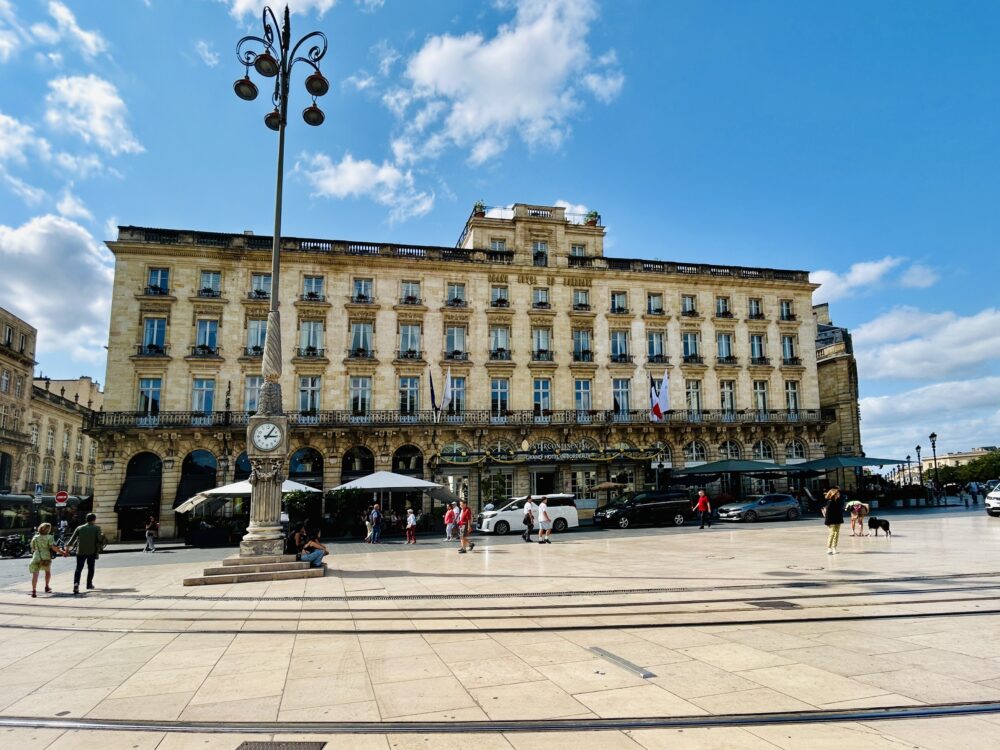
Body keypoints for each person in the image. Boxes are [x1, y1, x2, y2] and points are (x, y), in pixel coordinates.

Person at [66, 513, 107, 594]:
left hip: (80, 551)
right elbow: (99, 539)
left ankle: (76, 584)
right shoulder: (97, 528)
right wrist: (102, 535)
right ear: (94, 520)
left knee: (78, 569)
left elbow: (71, 540)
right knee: (91, 568)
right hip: (91, 551)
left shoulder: (79, 528)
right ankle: (89, 584)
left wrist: (66, 550)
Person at [28, 523, 63, 598]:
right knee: (47, 572)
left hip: (36, 557)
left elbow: (33, 548)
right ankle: (47, 586)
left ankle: (34, 591)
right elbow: (53, 547)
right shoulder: (49, 537)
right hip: (45, 557)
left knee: (35, 575)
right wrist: (63, 553)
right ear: (48, 530)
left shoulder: (35, 537)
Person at [822, 487, 844, 555]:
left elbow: (840, 511)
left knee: (836, 534)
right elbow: (828, 513)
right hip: (831, 521)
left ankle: (834, 547)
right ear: (834, 494)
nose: (839, 494)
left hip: (838, 520)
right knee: (831, 534)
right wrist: (827, 522)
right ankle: (829, 548)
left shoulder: (839, 501)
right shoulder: (830, 502)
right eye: (837, 493)